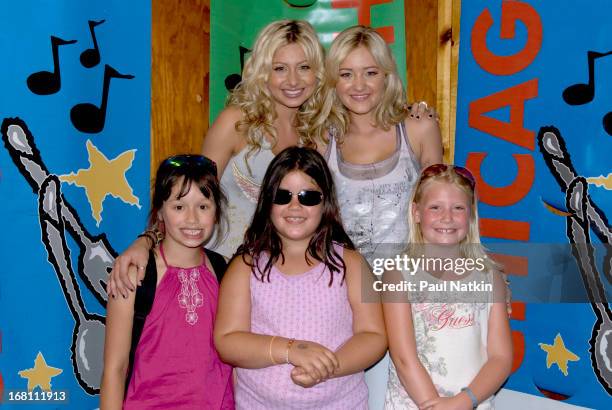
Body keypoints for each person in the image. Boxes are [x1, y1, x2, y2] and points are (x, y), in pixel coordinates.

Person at [106, 19, 326, 298]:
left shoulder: (318, 136)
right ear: (261, 73)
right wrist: (145, 243)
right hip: (224, 276)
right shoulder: (236, 123)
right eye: (279, 68)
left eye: (304, 67)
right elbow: (187, 195)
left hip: (288, 282)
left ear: (318, 73)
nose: (293, 80)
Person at [312, 25, 444, 408]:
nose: (359, 85)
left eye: (370, 72)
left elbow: (444, 209)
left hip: (412, 289)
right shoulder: (323, 137)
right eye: (347, 73)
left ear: (387, 76)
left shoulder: (417, 126)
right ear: (333, 80)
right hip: (346, 296)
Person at [213, 147, 387, 409]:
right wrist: (290, 349)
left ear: (325, 202)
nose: (295, 206)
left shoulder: (352, 264)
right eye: (283, 196)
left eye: (308, 197)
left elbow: (374, 335)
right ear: (267, 202)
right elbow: (228, 340)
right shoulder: (245, 267)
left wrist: (327, 367)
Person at [100, 154, 234, 409]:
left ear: (216, 211)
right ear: (160, 210)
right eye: (179, 207)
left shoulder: (224, 271)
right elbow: (114, 370)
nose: (192, 219)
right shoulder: (134, 274)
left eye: (203, 206)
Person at [382, 164, 513, 409]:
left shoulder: (490, 277)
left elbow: (501, 358)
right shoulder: (398, 273)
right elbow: (403, 357)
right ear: (416, 212)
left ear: (471, 214)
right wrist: (432, 404)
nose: (447, 217)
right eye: (435, 207)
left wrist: (464, 401)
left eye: (458, 208)